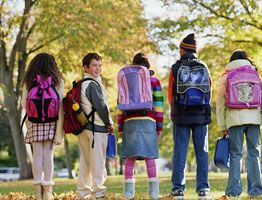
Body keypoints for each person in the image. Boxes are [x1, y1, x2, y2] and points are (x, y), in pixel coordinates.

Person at [168, 33, 212, 199]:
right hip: (200, 114)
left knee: (180, 151)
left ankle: (178, 189)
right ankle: (203, 190)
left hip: (181, 114)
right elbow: (209, 90)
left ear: (182, 49)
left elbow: (171, 92)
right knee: (202, 152)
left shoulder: (175, 67)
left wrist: (174, 110)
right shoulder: (203, 66)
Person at [216, 50, 262, 197]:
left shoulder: (226, 76)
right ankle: (255, 191)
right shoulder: (254, 73)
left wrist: (222, 126)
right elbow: (260, 98)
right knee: (253, 154)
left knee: (235, 155)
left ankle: (233, 191)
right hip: (254, 118)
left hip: (234, 120)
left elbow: (220, 104)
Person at [117, 52, 163, 200]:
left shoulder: (125, 81)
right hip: (148, 120)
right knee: (149, 156)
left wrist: (120, 126)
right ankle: (154, 194)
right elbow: (159, 106)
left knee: (130, 158)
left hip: (129, 120)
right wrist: (159, 126)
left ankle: (128, 194)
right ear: (147, 67)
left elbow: (120, 105)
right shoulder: (154, 81)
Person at [21, 53, 64, 200]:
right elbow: (60, 107)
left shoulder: (28, 81)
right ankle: (48, 191)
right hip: (51, 121)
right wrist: (59, 133)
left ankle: (37, 191)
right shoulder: (57, 81)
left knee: (37, 155)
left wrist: (30, 121)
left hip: (34, 122)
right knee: (48, 155)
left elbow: (23, 104)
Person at [76, 53, 114, 199]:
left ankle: (83, 192)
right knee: (98, 162)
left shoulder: (82, 84)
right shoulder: (92, 84)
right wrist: (109, 124)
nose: (98, 68)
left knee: (85, 162)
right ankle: (99, 192)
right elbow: (101, 107)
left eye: (99, 65)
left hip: (84, 128)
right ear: (86, 67)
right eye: (94, 65)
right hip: (96, 129)